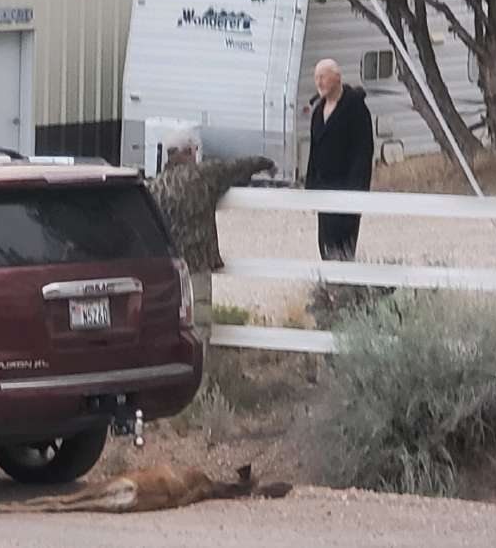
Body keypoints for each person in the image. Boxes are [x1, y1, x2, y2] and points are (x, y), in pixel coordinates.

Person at [147, 129, 276, 346]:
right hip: (197, 266)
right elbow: (237, 167)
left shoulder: (155, 187)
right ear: (189, 151)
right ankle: (200, 376)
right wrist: (266, 163)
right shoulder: (204, 175)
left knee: (169, 329)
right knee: (199, 328)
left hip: (169, 270)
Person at [305, 59, 375, 261]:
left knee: (343, 247)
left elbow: (363, 153)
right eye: (316, 78)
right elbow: (314, 153)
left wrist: (355, 192)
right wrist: (310, 188)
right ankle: (329, 290)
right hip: (323, 190)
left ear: (337, 78)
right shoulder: (318, 111)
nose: (319, 83)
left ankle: (345, 289)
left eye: (323, 77)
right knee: (325, 247)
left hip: (347, 189)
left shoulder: (356, 108)